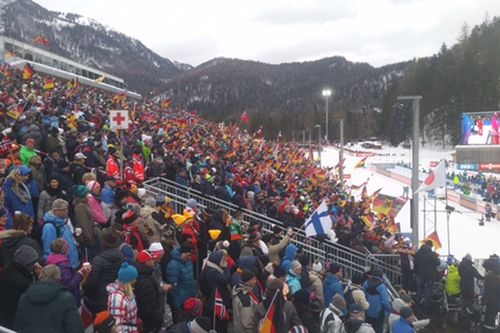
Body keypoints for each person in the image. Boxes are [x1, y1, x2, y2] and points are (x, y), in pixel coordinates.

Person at [14, 264, 84, 333]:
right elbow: (75, 328)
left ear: (40, 276)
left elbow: (18, 325)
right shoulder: (66, 299)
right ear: (59, 278)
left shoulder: (24, 298)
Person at [84, 228, 125, 314]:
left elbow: (92, 284)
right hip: (117, 296)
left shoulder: (98, 260)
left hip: (100, 299)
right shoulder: (121, 256)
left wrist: (84, 283)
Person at [0, 245, 40, 329]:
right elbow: (33, 294)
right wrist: (39, 277)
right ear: (26, 265)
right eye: (34, 262)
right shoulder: (19, 280)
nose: (36, 265)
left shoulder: (10, 268)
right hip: (11, 313)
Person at [46, 238, 90, 307]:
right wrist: (80, 273)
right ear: (64, 249)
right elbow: (69, 285)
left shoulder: (51, 261)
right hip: (70, 300)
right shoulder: (63, 266)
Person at [134, 250, 167, 333]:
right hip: (149, 321)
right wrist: (158, 317)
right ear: (147, 262)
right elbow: (148, 305)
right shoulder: (145, 279)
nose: (154, 262)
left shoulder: (145, 273)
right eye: (152, 259)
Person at [42, 198, 79, 269]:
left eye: (67, 209)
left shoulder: (62, 221)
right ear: (55, 210)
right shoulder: (49, 227)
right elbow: (49, 250)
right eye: (63, 210)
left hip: (72, 263)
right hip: (64, 266)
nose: (67, 211)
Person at [166, 243, 197, 320]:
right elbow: (173, 287)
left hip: (190, 298)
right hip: (181, 301)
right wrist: (177, 304)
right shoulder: (173, 265)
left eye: (191, 255)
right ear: (182, 252)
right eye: (187, 255)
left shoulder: (188, 262)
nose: (189, 257)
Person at [107, 262, 139, 333]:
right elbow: (116, 326)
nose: (136, 280)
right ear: (129, 281)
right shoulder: (116, 298)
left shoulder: (128, 292)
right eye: (134, 278)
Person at [363, 269, 391, 333]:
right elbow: (385, 302)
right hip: (379, 313)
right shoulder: (382, 286)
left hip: (368, 311)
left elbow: (364, 296)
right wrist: (388, 309)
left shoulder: (366, 283)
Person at [413, 240, 440, 305]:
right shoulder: (432, 254)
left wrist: (416, 272)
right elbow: (438, 263)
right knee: (429, 288)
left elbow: (415, 264)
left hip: (420, 274)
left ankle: (419, 302)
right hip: (431, 275)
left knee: (420, 288)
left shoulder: (417, 254)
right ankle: (426, 302)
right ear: (431, 246)